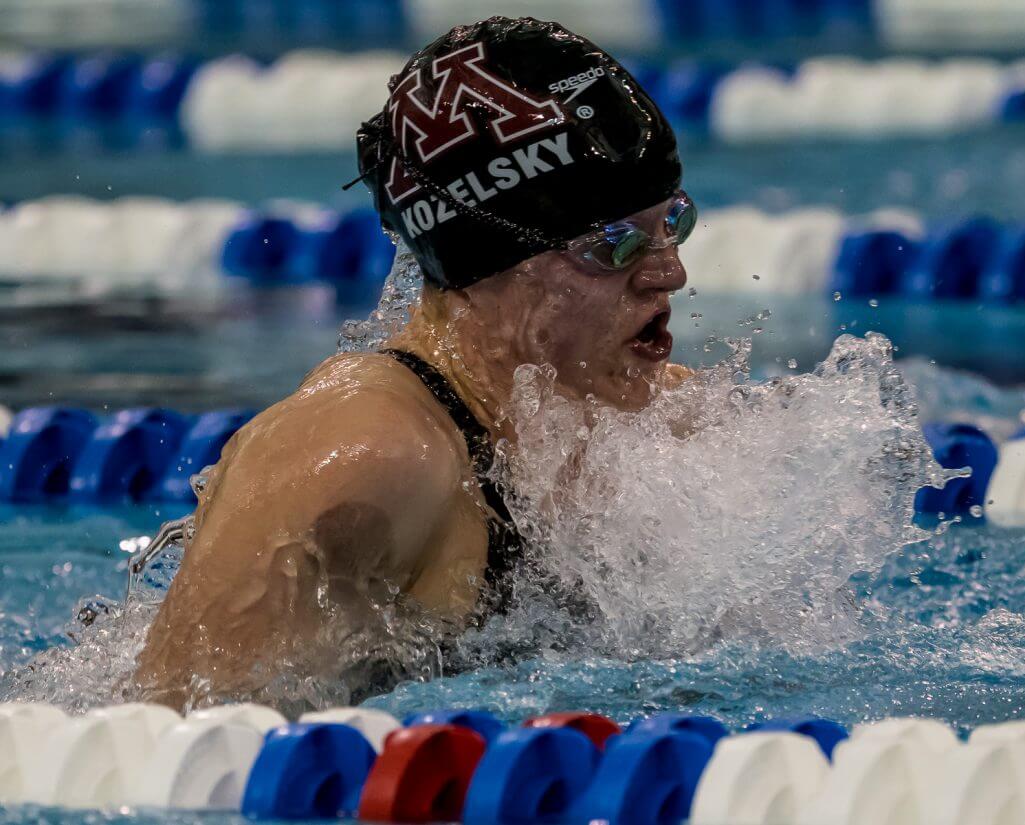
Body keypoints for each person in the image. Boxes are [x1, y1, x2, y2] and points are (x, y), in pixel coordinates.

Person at [135, 16, 695, 709]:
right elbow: (173, 739)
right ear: (493, 263)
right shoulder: (370, 452)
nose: (669, 272)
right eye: (613, 245)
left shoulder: (642, 419)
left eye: (672, 222)